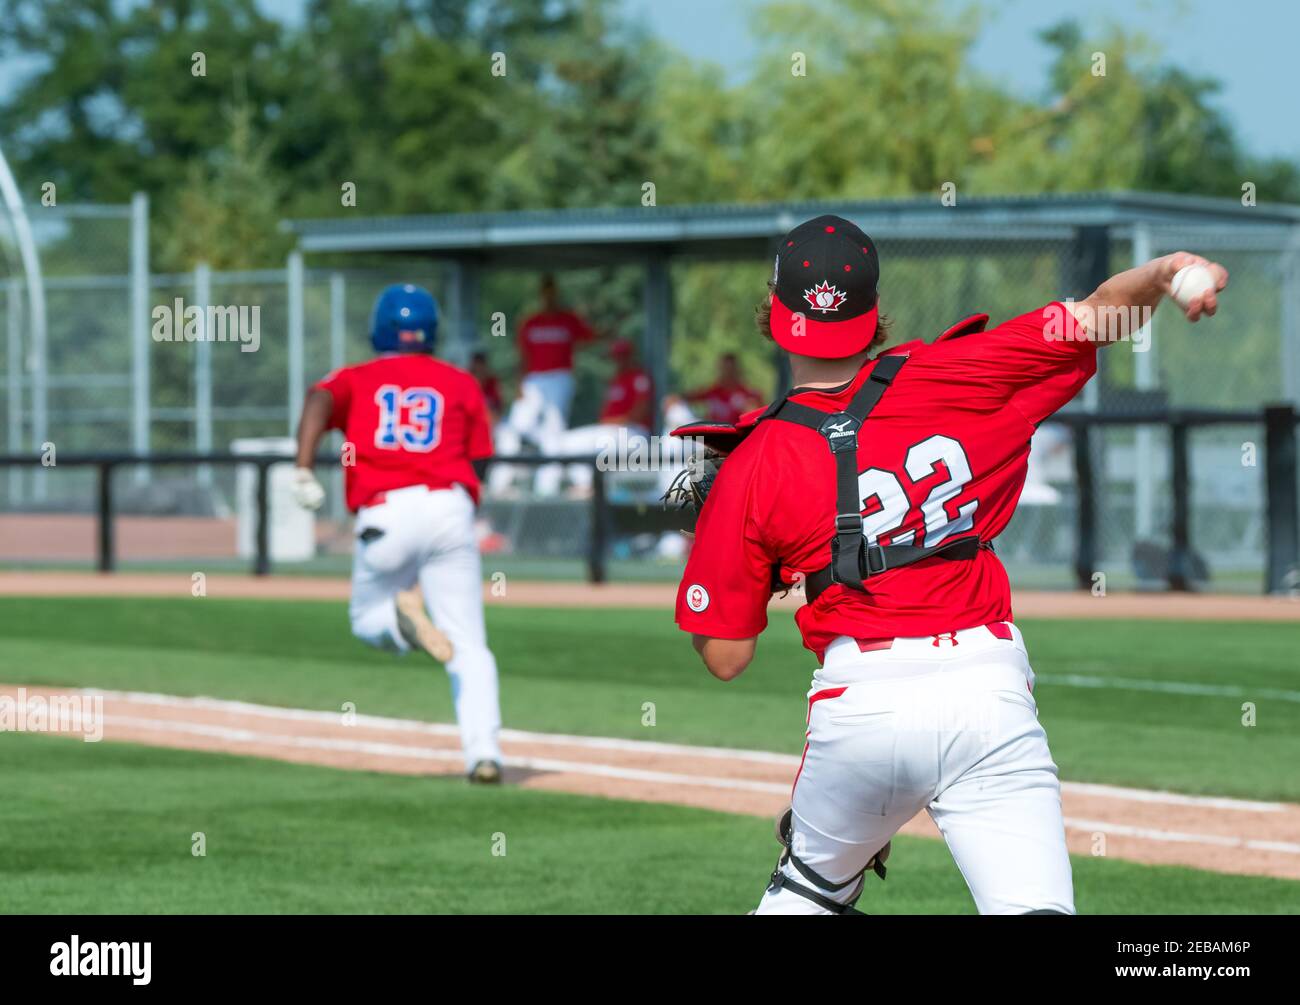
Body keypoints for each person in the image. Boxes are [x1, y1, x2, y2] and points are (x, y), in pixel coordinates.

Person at [673, 214, 1228, 914]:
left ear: (774, 314)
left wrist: (743, 546)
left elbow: (726, 655)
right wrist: (1162, 273)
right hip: (987, 693)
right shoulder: (962, 369)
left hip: (860, 708)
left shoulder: (755, 458)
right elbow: (1096, 319)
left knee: (808, 891)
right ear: (873, 314)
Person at [291, 283, 505, 785]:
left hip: (387, 511)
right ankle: (484, 753)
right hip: (449, 507)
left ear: (379, 328)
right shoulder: (459, 381)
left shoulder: (357, 377)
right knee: (469, 643)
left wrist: (303, 468)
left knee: (367, 619)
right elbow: (482, 454)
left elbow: (319, 400)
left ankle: (398, 619)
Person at [517, 274, 595, 423]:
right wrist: (520, 383)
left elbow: (590, 337)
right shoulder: (530, 322)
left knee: (555, 422)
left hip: (560, 376)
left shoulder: (569, 319)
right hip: (534, 378)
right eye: (546, 293)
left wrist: (586, 313)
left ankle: (552, 443)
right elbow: (523, 356)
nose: (549, 297)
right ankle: (546, 443)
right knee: (520, 423)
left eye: (552, 292)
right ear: (541, 294)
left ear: (556, 293)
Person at [682, 352, 764, 425]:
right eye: (724, 370)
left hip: (738, 437)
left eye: (731, 370)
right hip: (714, 437)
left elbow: (757, 418)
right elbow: (687, 397)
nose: (727, 374)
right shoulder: (712, 392)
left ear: (738, 371)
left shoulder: (748, 395)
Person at [468, 350, 504, 423]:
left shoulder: (492, 382)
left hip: (492, 422)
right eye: (476, 370)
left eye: (481, 368)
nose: (479, 372)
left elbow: (499, 409)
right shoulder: (467, 384)